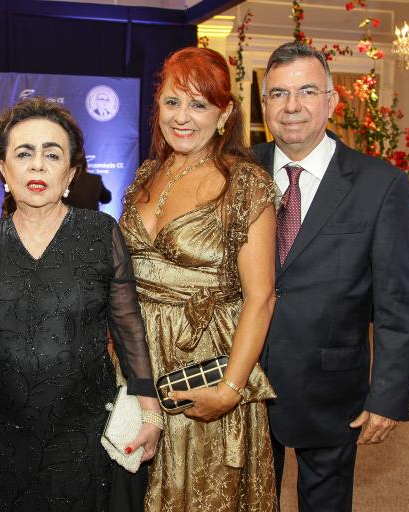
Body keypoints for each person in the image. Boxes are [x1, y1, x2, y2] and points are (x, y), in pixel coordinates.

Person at [0, 97, 163, 512]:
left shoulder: (99, 233)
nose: (37, 166)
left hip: (82, 433)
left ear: (71, 172)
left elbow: (127, 324)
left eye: (52, 154)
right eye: (23, 154)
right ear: (3, 169)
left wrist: (150, 408)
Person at [253, 42, 409, 511]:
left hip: (331, 388)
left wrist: (388, 396)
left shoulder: (379, 184)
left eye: (307, 91)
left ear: (331, 101)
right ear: (264, 104)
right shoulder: (237, 170)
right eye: (278, 93)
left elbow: (397, 304)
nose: (291, 106)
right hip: (244, 382)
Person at [118, 47, 278, 511]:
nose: (182, 117)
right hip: (137, 356)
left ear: (224, 114)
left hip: (203, 359)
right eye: (172, 102)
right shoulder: (147, 174)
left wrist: (229, 390)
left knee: (200, 491)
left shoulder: (245, 184)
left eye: (199, 104)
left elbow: (261, 297)